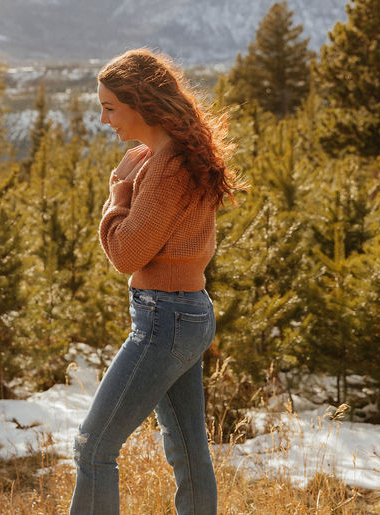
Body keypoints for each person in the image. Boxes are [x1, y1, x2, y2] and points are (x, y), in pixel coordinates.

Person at [70, 49, 240, 515]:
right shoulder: (168, 155)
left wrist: (117, 195)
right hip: (184, 313)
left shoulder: (166, 168)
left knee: (93, 447)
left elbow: (126, 254)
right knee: (187, 451)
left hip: (164, 319)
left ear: (141, 103)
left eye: (110, 107)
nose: (104, 119)